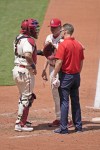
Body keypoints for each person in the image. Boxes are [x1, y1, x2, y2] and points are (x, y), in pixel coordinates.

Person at [52, 23, 85, 134]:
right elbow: (81, 62)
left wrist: (54, 75)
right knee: (75, 101)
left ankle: (64, 128)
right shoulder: (79, 44)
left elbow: (59, 61)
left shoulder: (63, 45)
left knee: (64, 102)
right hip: (76, 76)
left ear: (65, 31)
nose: (61, 32)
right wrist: (77, 73)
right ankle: (79, 127)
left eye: (62, 31)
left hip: (66, 77)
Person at [41, 18, 72, 127]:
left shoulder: (63, 39)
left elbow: (62, 56)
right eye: (52, 27)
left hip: (61, 69)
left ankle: (68, 119)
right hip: (51, 68)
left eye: (55, 28)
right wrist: (44, 69)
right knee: (55, 94)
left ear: (60, 27)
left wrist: (54, 48)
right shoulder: (48, 38)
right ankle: (59, 118)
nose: (53, 29)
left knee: (63, 94)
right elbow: (47, 55)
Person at [12, 18, 40, 132]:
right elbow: (28, 55)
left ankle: (23, 120)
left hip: (17, 70)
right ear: (28, 29)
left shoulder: (18, 38)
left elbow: (23, 52)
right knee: (27, 97)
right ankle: (20, 124)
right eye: (33, 28)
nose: (35, 30)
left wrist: (40, 52)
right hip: (25, 71)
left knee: (24, 96)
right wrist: (33, 67)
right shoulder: (29, 40)